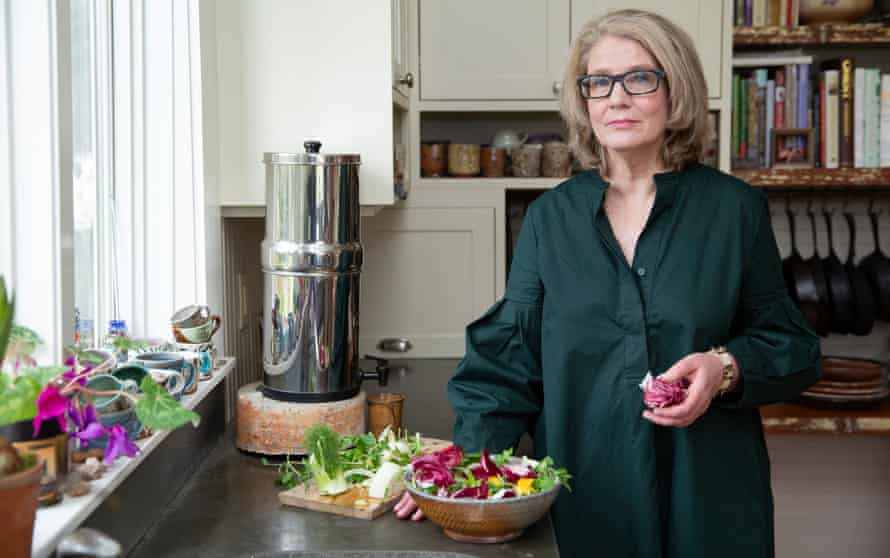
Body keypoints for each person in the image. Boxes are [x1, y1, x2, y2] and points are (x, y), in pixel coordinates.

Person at [394, 9, 821, 557]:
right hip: (584, 497)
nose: (616, 98)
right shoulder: (550, 219)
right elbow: (508, 360)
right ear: (585, 100)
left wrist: (724, 368)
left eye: (640, 78)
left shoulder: (735, 211)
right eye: (599, 82)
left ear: (676, 90)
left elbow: (792, 346)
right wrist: (463, 472)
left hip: (708, 499)